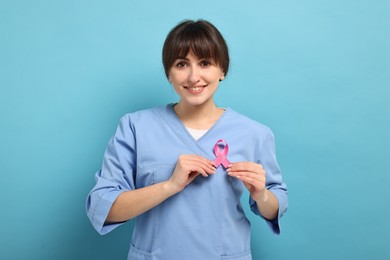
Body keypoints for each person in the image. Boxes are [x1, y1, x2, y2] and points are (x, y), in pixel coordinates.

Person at [86, 19, 288, 260]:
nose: (194, 77)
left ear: (222, 70)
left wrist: (261, 195)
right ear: (169, 73)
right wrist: (170, 185)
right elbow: (103, 207)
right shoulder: (136, 127)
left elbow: (276, 205)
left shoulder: (255, 133)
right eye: (182, 64)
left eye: (205, 63)